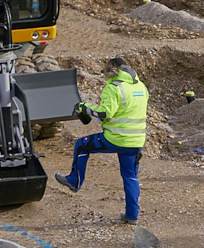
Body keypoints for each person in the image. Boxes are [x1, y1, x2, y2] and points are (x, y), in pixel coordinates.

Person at [55, 57, 149, 224]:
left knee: (82, 145)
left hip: (115, 138)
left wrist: (85, 107)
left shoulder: (113, 88)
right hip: (136, 142)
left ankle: (74, 181)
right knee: (130, 176)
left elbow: (105, 113)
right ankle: (132, 216)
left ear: (112, 71)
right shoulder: (140, 86)